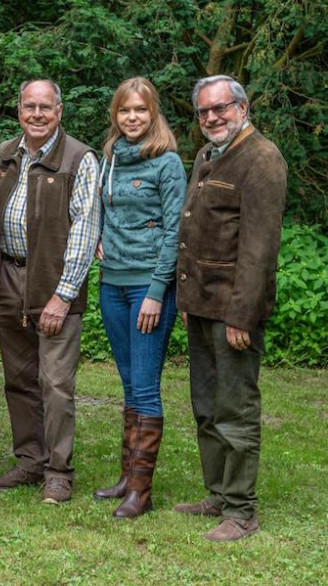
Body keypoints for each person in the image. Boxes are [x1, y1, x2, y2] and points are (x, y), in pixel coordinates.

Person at [173, 75, 286, 541]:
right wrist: (186, 298)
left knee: (235, 409)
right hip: (201, 304)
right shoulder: (206, 155)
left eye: (220, 108)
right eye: (203, 112)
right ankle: (218, 494)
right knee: (206, 405)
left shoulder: (262, 158)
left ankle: (241, 511)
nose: (211, 118)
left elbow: (260, 247)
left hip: (232, 314)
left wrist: (242, 313)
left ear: (242, 107)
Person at [0, 79, 100, 504]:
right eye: (29, 106)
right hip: (7, 279)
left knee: (54, 382)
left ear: (59, 110)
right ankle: (30, 459)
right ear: (19, 109)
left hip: (53, 283)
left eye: (45, 107)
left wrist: (64, 293)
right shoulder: (4, 153)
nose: (36, 114)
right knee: (18, 378)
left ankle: (58, 470)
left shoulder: (78, 158)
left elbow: (86, 230)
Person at [91, 77, 186, 518]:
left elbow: (175, 233)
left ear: (154, 114)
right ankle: (128, 478)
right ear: (116, 115)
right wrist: (98, 239)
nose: (132, 118)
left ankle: (141, 493)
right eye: (125, 111)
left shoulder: (166, 163)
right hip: (112, 284)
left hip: (149, 289)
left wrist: (155, 292)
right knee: (129, 386)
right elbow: (102, 210)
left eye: (141, 111)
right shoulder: (110, 158)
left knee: (146, 388)